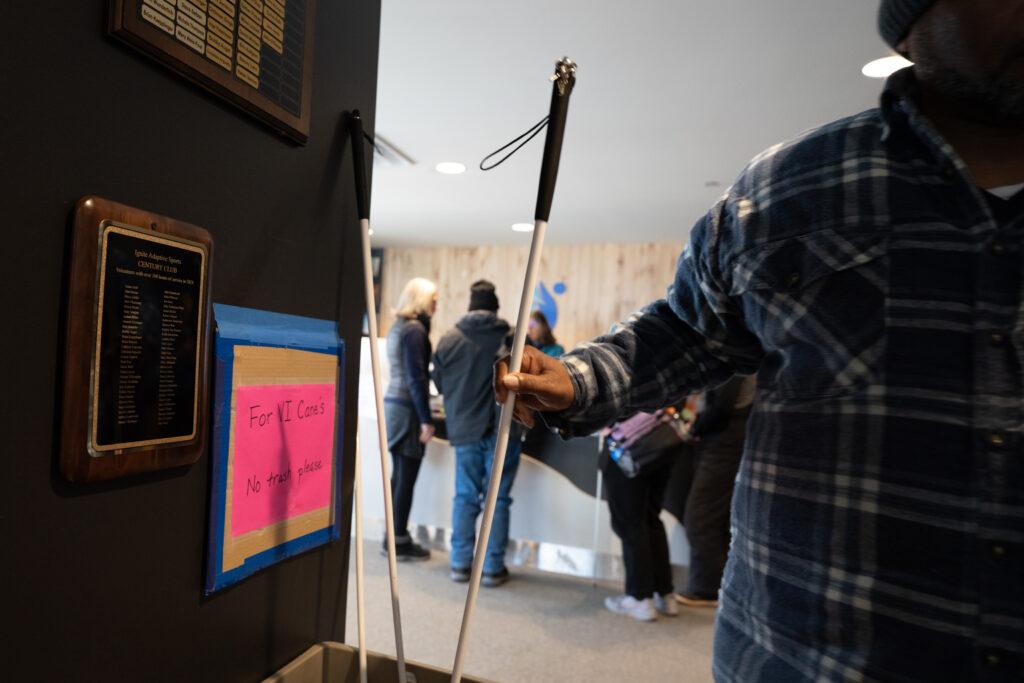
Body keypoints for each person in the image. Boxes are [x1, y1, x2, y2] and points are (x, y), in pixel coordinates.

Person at [495, 2, 1024, 680]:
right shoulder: (790, 190)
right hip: (801, 659)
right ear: (913, 17)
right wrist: (575, 378)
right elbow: (686, 326)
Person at [432, 281, 521, 587]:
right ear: (495, 308)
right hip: (504, 428)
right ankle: (493, 568)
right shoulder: (513, 337)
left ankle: (460, 564)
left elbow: (440, 384)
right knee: (498, 499)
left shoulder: (449, 340)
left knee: (465, 496)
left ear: (470, 307)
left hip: (465, 428)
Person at [676, 374, 755, 608]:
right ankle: (715, 586)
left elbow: (721, 405)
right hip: (727, 438)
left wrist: (693, 428)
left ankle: (707, 588)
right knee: (714, 516)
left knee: (701, 515)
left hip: (724, 440)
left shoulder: (737, 363)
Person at [601, 410, 682, 622]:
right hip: (662, 437)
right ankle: (664, 593)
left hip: (626, 443)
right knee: (651, 517)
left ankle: (640, 597)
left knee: (631, 523)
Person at [383, 277, 438, 561]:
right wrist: (426, 420)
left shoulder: (398, 327)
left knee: (398, 477)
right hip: (408, 410)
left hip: (393, 405)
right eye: (433, 298)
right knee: (406, 479)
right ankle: (399, 541)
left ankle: (391, 537)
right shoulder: (415, 330)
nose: (436, 304)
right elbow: (417, 378)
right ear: (421, 299)